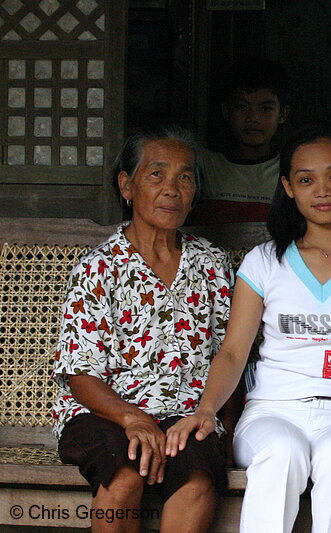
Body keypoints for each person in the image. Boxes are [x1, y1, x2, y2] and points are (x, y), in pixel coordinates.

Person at [166, 122, 331, 533]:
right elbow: (233, 351)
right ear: (288, 187)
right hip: (271, 411)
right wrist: (207, 410)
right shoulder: (265, 262)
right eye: (306, 179)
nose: (322, 190)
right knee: (283, 453)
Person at [52, 126, 233, 533]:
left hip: (187, 413)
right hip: (105, 413)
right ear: (126, 185)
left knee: (198, 475)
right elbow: (80, 372)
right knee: (124, 469)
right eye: (156, 174)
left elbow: (231, 355)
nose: (172, 189)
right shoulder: (98, 267)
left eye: (185, 178)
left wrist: (225, 428)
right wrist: (132, 418)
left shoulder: (212, 264)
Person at [190, 58, 291, 224]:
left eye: (265, 109)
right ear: (226, 111)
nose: (253, 118)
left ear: (282, 114)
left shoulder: (290, 171)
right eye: (241, 107)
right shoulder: (205, 166)